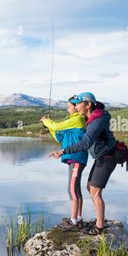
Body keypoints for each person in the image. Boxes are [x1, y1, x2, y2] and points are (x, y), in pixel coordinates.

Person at [49, 92, 117, 235]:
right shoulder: (91, 118)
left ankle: (99, 226)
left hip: (108, 156)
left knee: (95, 191)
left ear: (88, 105)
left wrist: (63, 151)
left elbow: (85, 143)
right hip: (101, 157)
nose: (77, 106)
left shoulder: (97, 121)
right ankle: (95, 220)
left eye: (79, 103)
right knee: (89, 187)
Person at [41, 96, 88, 230]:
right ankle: (78, 218)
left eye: (69, 106)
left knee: (72, 189)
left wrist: (47, 121)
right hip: (74, 158)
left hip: (77, 157)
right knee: (76, 188)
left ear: (76, 107)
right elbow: (59, 136)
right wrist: (49, 126)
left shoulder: (77, 119)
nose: (68, 109)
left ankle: (73, 221)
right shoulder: (71, 121)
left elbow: (56, 125)